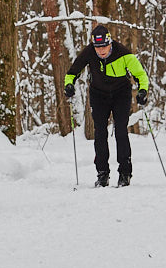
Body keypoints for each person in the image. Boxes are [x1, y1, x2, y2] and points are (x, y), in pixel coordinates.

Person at [63, 24, 150, 187]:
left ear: (110, 43)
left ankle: (125, 173)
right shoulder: (89, 52)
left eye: (104, 46)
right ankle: (102, 173)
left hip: (121, 94)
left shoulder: (123, 53)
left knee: (121, 131)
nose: (101, 51)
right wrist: (69, 85)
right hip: (99, 95)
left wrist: (142, 91)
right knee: (100, 132)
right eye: (98, 47)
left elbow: (140, 74)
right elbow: (72, 72)